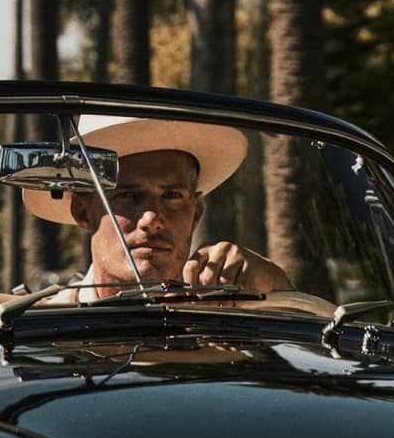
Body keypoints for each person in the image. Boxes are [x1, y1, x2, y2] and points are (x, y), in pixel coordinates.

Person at [22, 114, 289, 304]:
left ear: (196, 212)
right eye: (127, 195)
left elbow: (312, 343)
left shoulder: (232, 313)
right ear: (82, 212)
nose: (152, 219)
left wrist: (276, 286)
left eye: (172, 195)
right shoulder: (40, 332)